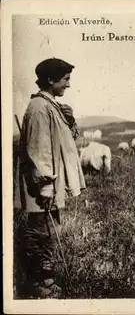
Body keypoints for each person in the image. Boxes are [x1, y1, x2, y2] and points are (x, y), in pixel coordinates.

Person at [16, 57, 86, 298]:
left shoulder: (51, 105)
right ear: (50, 79)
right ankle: (38, 283)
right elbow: (38, 148)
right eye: (65, 80)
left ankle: (46, 279)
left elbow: (64, 139)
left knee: (47, 230)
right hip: (41, 185)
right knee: (40, 233)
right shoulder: (39, 108)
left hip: (49, 184)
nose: (68, 85)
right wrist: (45, 185)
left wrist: (70, 119)